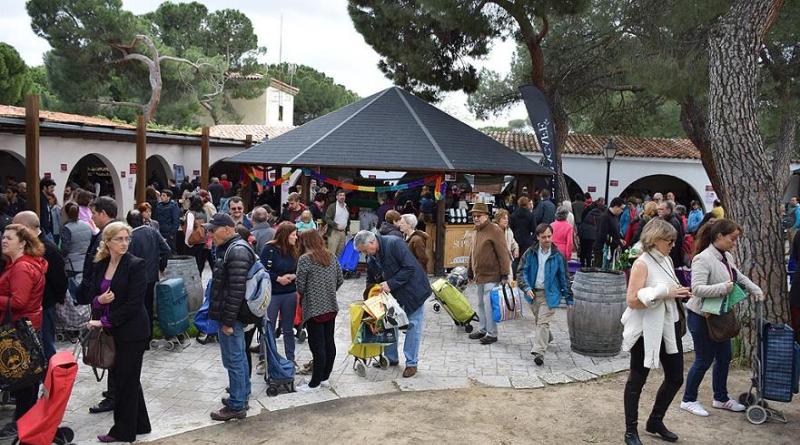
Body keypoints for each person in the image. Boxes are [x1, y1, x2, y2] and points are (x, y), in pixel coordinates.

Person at [680, 219, 764, 417]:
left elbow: (737, 276)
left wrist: (755, 289)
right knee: (703, 359)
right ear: (719, 236)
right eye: (732, 239)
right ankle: (688, 399)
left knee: (724, 357)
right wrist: (722, 288)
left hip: (719, 315)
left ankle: (721, 398)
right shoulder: (703, 258)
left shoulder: (725, 255)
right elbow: (697, 289)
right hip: (701, 316)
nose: (734, 243)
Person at [621, 219, 689, 445]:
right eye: (669, 241)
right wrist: (663, 294)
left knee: (676, 377)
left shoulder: (667, 259)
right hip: (645, 331)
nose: (672, 245)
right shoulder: (642, 263)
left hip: (669, 327)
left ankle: (655, 421)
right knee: (637, 381)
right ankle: (631, 430)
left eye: (674, 241)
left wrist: (677, 292)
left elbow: (668, 288)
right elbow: (632, 300)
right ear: (655, 239)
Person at [87, 222, 151, 443]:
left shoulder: (136, 264)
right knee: (128, 378)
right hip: (115, 331)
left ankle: (123, 432)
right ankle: (141, 424)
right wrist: (99, 301)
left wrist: (104, 321)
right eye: (119, 239)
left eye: (127, 239)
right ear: (107, 241)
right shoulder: (101, 264)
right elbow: (92, 293)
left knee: (125, 381)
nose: (124, 243)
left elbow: (134, 304)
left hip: (133, 332)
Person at [355, 230, 430, 378]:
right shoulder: (371, 257)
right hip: (392, 295)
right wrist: (370, 296)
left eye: (365, 250)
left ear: (372, 242)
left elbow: (410, 267)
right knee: (389, 324)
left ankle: (411, 364)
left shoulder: (394, 243)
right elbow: (370, 280)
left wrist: (390, 283)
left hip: (413, 292)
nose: (365, 254)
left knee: (413, 326)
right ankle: (391, 358)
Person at [206, 213, 256, 421]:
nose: (210, 233)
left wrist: (227, 322)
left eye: (213, 229)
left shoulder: (236, 251)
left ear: (227, 229)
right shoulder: (231, 248)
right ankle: (241, 396)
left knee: (234, 359)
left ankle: (237, 404)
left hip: (233, 317)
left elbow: (236, 291)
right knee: (238, 357)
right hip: (232, 315)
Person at [0, 224, 47, 439]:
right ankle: (24, 422)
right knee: (25, 380)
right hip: (24, 327)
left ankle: (24, 424)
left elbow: (19, 302)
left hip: (19, 329)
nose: (4, 240)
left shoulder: (21, 267)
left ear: (22, 243)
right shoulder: (19, 264)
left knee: (23, 381)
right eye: (3, 237)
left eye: (9, 238)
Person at [76, 196, 118, 414]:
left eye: (94, 213)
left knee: (110, 348)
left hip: (108, 305)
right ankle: (114, 391)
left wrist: (98, 301)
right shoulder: (107, 233)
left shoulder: (110, 236)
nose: (91, 217)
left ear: (103, 213)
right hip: (103, 302)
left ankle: (114, 395)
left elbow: (102, 274)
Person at [12, 211, 67, 362]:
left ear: (26, 227)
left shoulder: (47, 248)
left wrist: (55, 300)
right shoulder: (30, 246)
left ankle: (49, 381)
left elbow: (60, 279)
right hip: (34, 306)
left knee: (45, 345)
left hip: (45, 305)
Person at [516, 223, 572, 366]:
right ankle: (547, 337)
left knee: (542, 322)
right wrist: (526, 287)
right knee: (540, 321)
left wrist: (569, 298)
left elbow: (564, 277)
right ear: (538, 237)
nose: (547, 239)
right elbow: (521, 272)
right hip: (533, 294)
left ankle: (539, 352)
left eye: (549, 236)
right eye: (544, 237)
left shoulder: (558, 256)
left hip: (550, 294)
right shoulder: (530, 253)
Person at [294, 230, 344, 391]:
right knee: (329, 342)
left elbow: (300, 285)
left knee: (317, 346)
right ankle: (325, 378)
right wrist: (328, 290)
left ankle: (314, 383)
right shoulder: (331, 256)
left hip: (314, 308)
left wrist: (311, 293)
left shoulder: (305, 259)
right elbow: (340, 279)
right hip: (330, 305)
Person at [466, 202, 511, 345]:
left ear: (486, 216)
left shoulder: (495, 230)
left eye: (478, 215)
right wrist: (469, 270)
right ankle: (483, 328)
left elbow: (503, 253)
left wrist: (504, 274)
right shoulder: (477, 230)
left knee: (489, 304)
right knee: (480, 304)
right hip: (480, 274)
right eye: (474, 216)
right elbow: (473, 252)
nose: (476, 218)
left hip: (492, 274)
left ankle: (492, 333)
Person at [261, 222, 299, 364]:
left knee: (288, 328)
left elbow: (298, 268)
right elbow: (262, 270)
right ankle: (266, 358)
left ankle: (291, 359)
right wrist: (278, 278)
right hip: (273, 293)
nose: (296, 238)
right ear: (285, 235)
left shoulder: (294, 249)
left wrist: (293, 276)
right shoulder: (269, 249)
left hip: (290, 292)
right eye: (293, 235)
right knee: (268, 327)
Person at [127, 210, 170, 324]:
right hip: (151, 275)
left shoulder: (130, 237)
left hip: (136, 277)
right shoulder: (153, 231)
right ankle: (148, 334)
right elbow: (166, 249)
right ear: (142, 220)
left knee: (136, 306)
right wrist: (161, 265)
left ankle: (140, 333)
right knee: (148, 306)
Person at [61, 202, 93, 292]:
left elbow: (65, 249)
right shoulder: (86, 225)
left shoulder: (66, 228)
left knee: (72, 291)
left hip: (71, 263)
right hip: (84, 261)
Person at [594, 197, 625, 269]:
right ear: (616, 207)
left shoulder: (615, 217)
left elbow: (615, 231)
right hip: (603, 251)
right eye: (621, 208)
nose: (622, 211)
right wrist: (617, 241)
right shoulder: (605, 217)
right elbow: (602, 235)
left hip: (611, 249)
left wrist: (620, 239)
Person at [510, 196, 536, 274]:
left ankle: (515, 276)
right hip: (527, 239)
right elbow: (534, 228)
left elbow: (511, 227)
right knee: (526, 259)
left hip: (516, 238)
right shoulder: (530, 215)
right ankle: (524, 275)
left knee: (515, 259)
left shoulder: (514, 215)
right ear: (527, 204)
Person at [657, 201, 685, 268]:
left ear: (669, 210)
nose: (659, 211)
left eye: (661, 209)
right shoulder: (666, 220)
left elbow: (673, 243)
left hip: (671, 258)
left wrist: (668, 259)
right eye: (658, 209)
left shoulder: (672, 222)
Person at [324, 190, 349, 257]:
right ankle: (330, 267)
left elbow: (347, 220)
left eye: (343, 195)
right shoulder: (332, 207)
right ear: (337, 197)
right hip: (334, 231)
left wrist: (348, 230)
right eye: (340, 195)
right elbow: (327, 218)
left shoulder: (346, 207)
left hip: (343, 232)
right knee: (332, 253)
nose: (342, 197)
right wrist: (336, 225)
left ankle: (337, 267)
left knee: (340, 253)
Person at [494, 209, 518, 278]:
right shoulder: (493, 231)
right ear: (498, 219)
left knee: (508, 285)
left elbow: (513, 242)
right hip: (496, 264)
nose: (506, 220)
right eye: (504, 219)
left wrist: (516, 248)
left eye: (507, 219)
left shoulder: (509, 231)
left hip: (507, 263)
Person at [578, 201, 603, 268]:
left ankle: (582, 264)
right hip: (593, 234)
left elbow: (582, 219)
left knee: (583, 249)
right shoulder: (601, 214)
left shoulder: (588, 212)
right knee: (589, 250)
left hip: (584, 232)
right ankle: (589, 265)